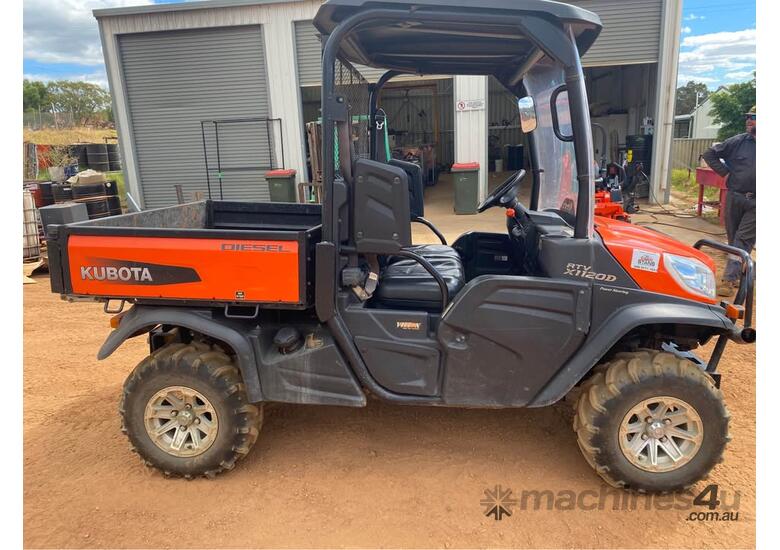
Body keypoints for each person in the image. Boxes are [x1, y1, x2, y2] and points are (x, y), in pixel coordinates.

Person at [701, 105, 756, 297]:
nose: (749, 120)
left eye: (754, 117)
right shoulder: (738, 142)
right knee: (734, 239)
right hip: (735, 196)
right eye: (748, 117)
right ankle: (745, 268)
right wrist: (724, 172)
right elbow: (709, 154)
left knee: (741, 239)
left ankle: (729, 279)